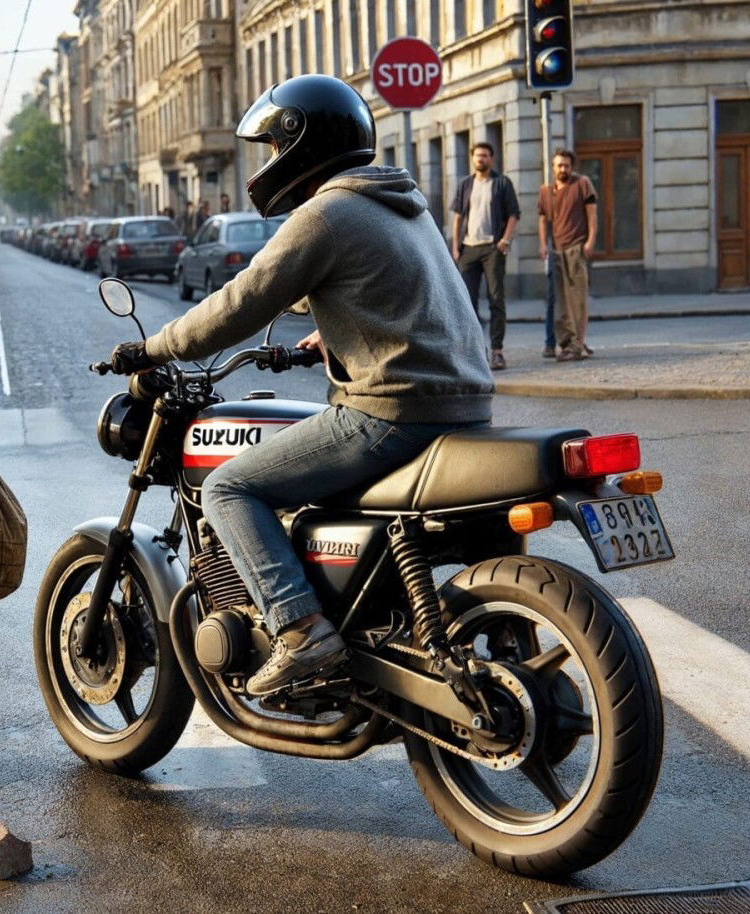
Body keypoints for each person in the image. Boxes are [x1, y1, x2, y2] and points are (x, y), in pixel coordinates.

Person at [108, 75, 493, 695]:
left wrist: (153, 348)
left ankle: (300, 630)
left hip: (392, 413)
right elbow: (410, 297)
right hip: (465, 405)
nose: (268, 161)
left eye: (271, 147)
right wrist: (337, 333)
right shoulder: (402, 204)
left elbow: (240, 303)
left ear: (298, 144)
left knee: (229, 487)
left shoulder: (326, 214)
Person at [449, 142, 521, 370]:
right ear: (473, 159)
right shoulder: (465, 184)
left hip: (493, 248)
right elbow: (458, 216)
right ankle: (476, 351)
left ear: (491, 158)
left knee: (496, 298)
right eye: (477, 155)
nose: (480, 159)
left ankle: (497, 351)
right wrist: (455, 246)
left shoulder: (502, 183)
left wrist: (505, 240)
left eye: (485, 156)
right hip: (468, 249)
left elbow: (513, 214)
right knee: (466, 301)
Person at [537, 150, 597, 361]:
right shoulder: (546, 191)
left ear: (572, 167)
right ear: (553, 167)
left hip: (576, 247)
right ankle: (567, 343)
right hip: (556, 250)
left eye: (567, 166)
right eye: (560, 165)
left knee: (578, 298)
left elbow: (592, 215)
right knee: (560, 301)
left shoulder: (582, 184)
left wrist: (590, 241)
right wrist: (543, 244)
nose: (563, 169)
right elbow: (543, 219)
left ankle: (577, 344)